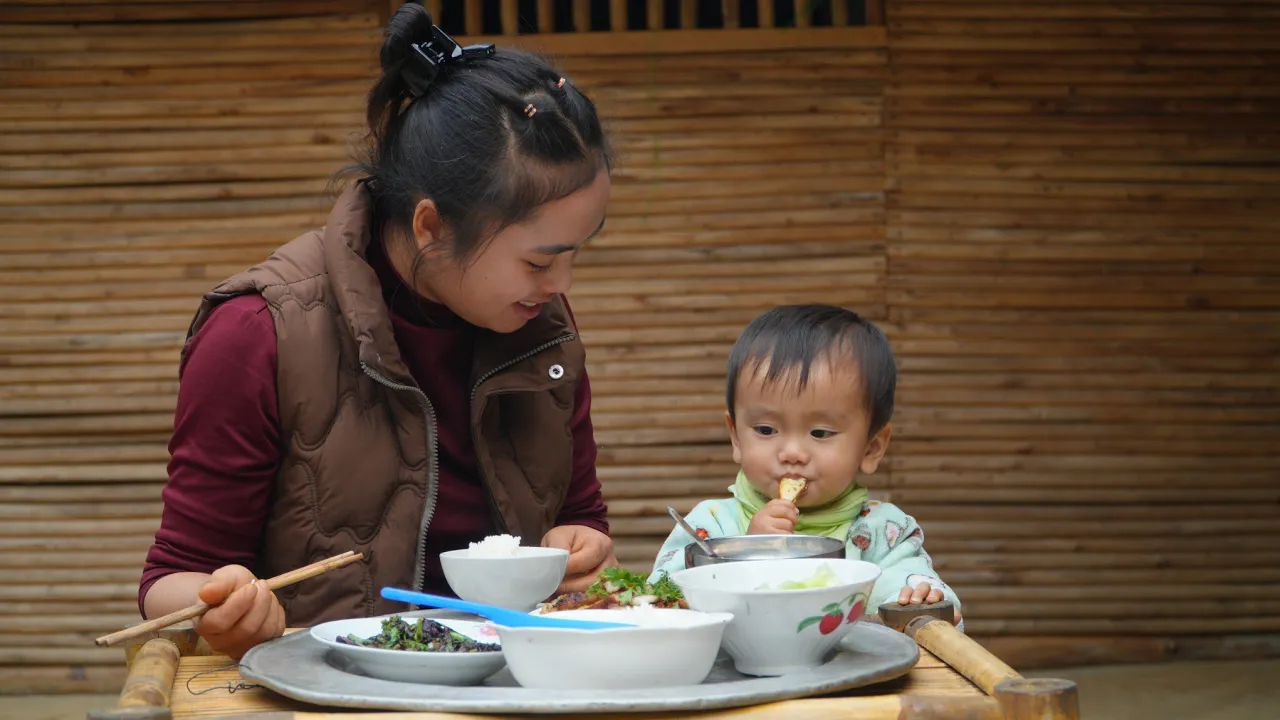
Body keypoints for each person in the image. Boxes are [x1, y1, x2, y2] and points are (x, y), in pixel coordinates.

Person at [138, 2, 617, 659]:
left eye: (576, 253)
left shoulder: (542, 329)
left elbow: (579, 514)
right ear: (431, 228)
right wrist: (224, 608)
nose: (562, 284)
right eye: (539, 261)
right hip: (327, 688)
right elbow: (172, 580)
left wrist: (581, 548)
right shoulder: (257, 333)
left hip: (512, 685)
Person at [649, 305, 963, 628]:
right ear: (736, 438)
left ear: (872, 448)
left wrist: (923, 605)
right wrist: (743, 553)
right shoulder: (709, 526)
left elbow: (917, 607)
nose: (792, 453)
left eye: (820, 433)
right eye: (766, 430)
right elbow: (659, 603)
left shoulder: (883, 533)